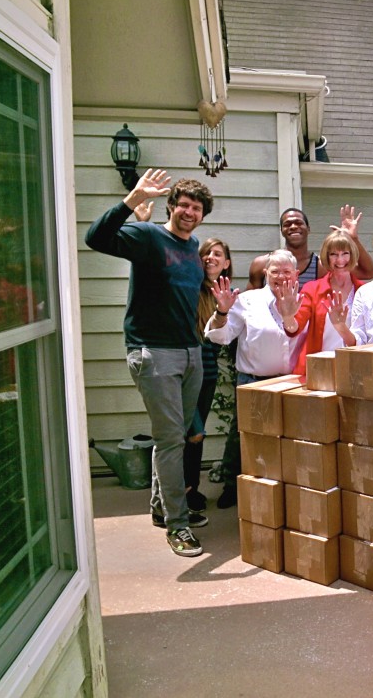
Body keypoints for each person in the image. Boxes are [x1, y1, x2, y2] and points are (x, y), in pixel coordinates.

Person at [85, 169, 213, 557]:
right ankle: (178, 525)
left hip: (190, 352)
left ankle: (162, 507)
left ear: (203, 215)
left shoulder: (193, 249)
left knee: (171, 437)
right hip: (153, 353)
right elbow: (96, 238)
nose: (190, 212)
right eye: (184, 205)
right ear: (172, 207)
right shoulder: (147, 236)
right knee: (172, 438)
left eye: (197, 208)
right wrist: (132, 199)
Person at [183, 238, 232, 512]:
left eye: (217, 254)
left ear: (226, 263)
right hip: (186, 368)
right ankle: (185, 490)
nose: (210, 257)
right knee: (191, 431)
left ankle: (192, 489)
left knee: (197, 432)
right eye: (205, 253)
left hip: (209, 369)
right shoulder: (190, 289)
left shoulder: (224, 294)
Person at [205, 249, 305, 382]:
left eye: (287, 272)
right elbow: (221, 337)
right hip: (254, 384)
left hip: (295, 385)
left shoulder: (305, 303)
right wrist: (221, 312)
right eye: (275, 271)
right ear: (266, 273)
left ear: (296, 274)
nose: (281, 277)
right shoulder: (247, 300)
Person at [288, 231, 364, 372]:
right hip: (319, 369)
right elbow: (295, 327)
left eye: (345, 253)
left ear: (352, 255)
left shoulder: (364, 291)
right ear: (326, 257)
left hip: (355, 369)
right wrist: (287, 318)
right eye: (333, 254)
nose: (340, 260)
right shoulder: (312, 289)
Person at [247, 206, 373, 289]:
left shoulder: (322, 265)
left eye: (298, 223)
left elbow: (369, 272)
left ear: (308, 229)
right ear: (281, 230)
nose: (293, 226)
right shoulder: (262, 264)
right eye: (288, 224)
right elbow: (247, 305)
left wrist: (353, 239)